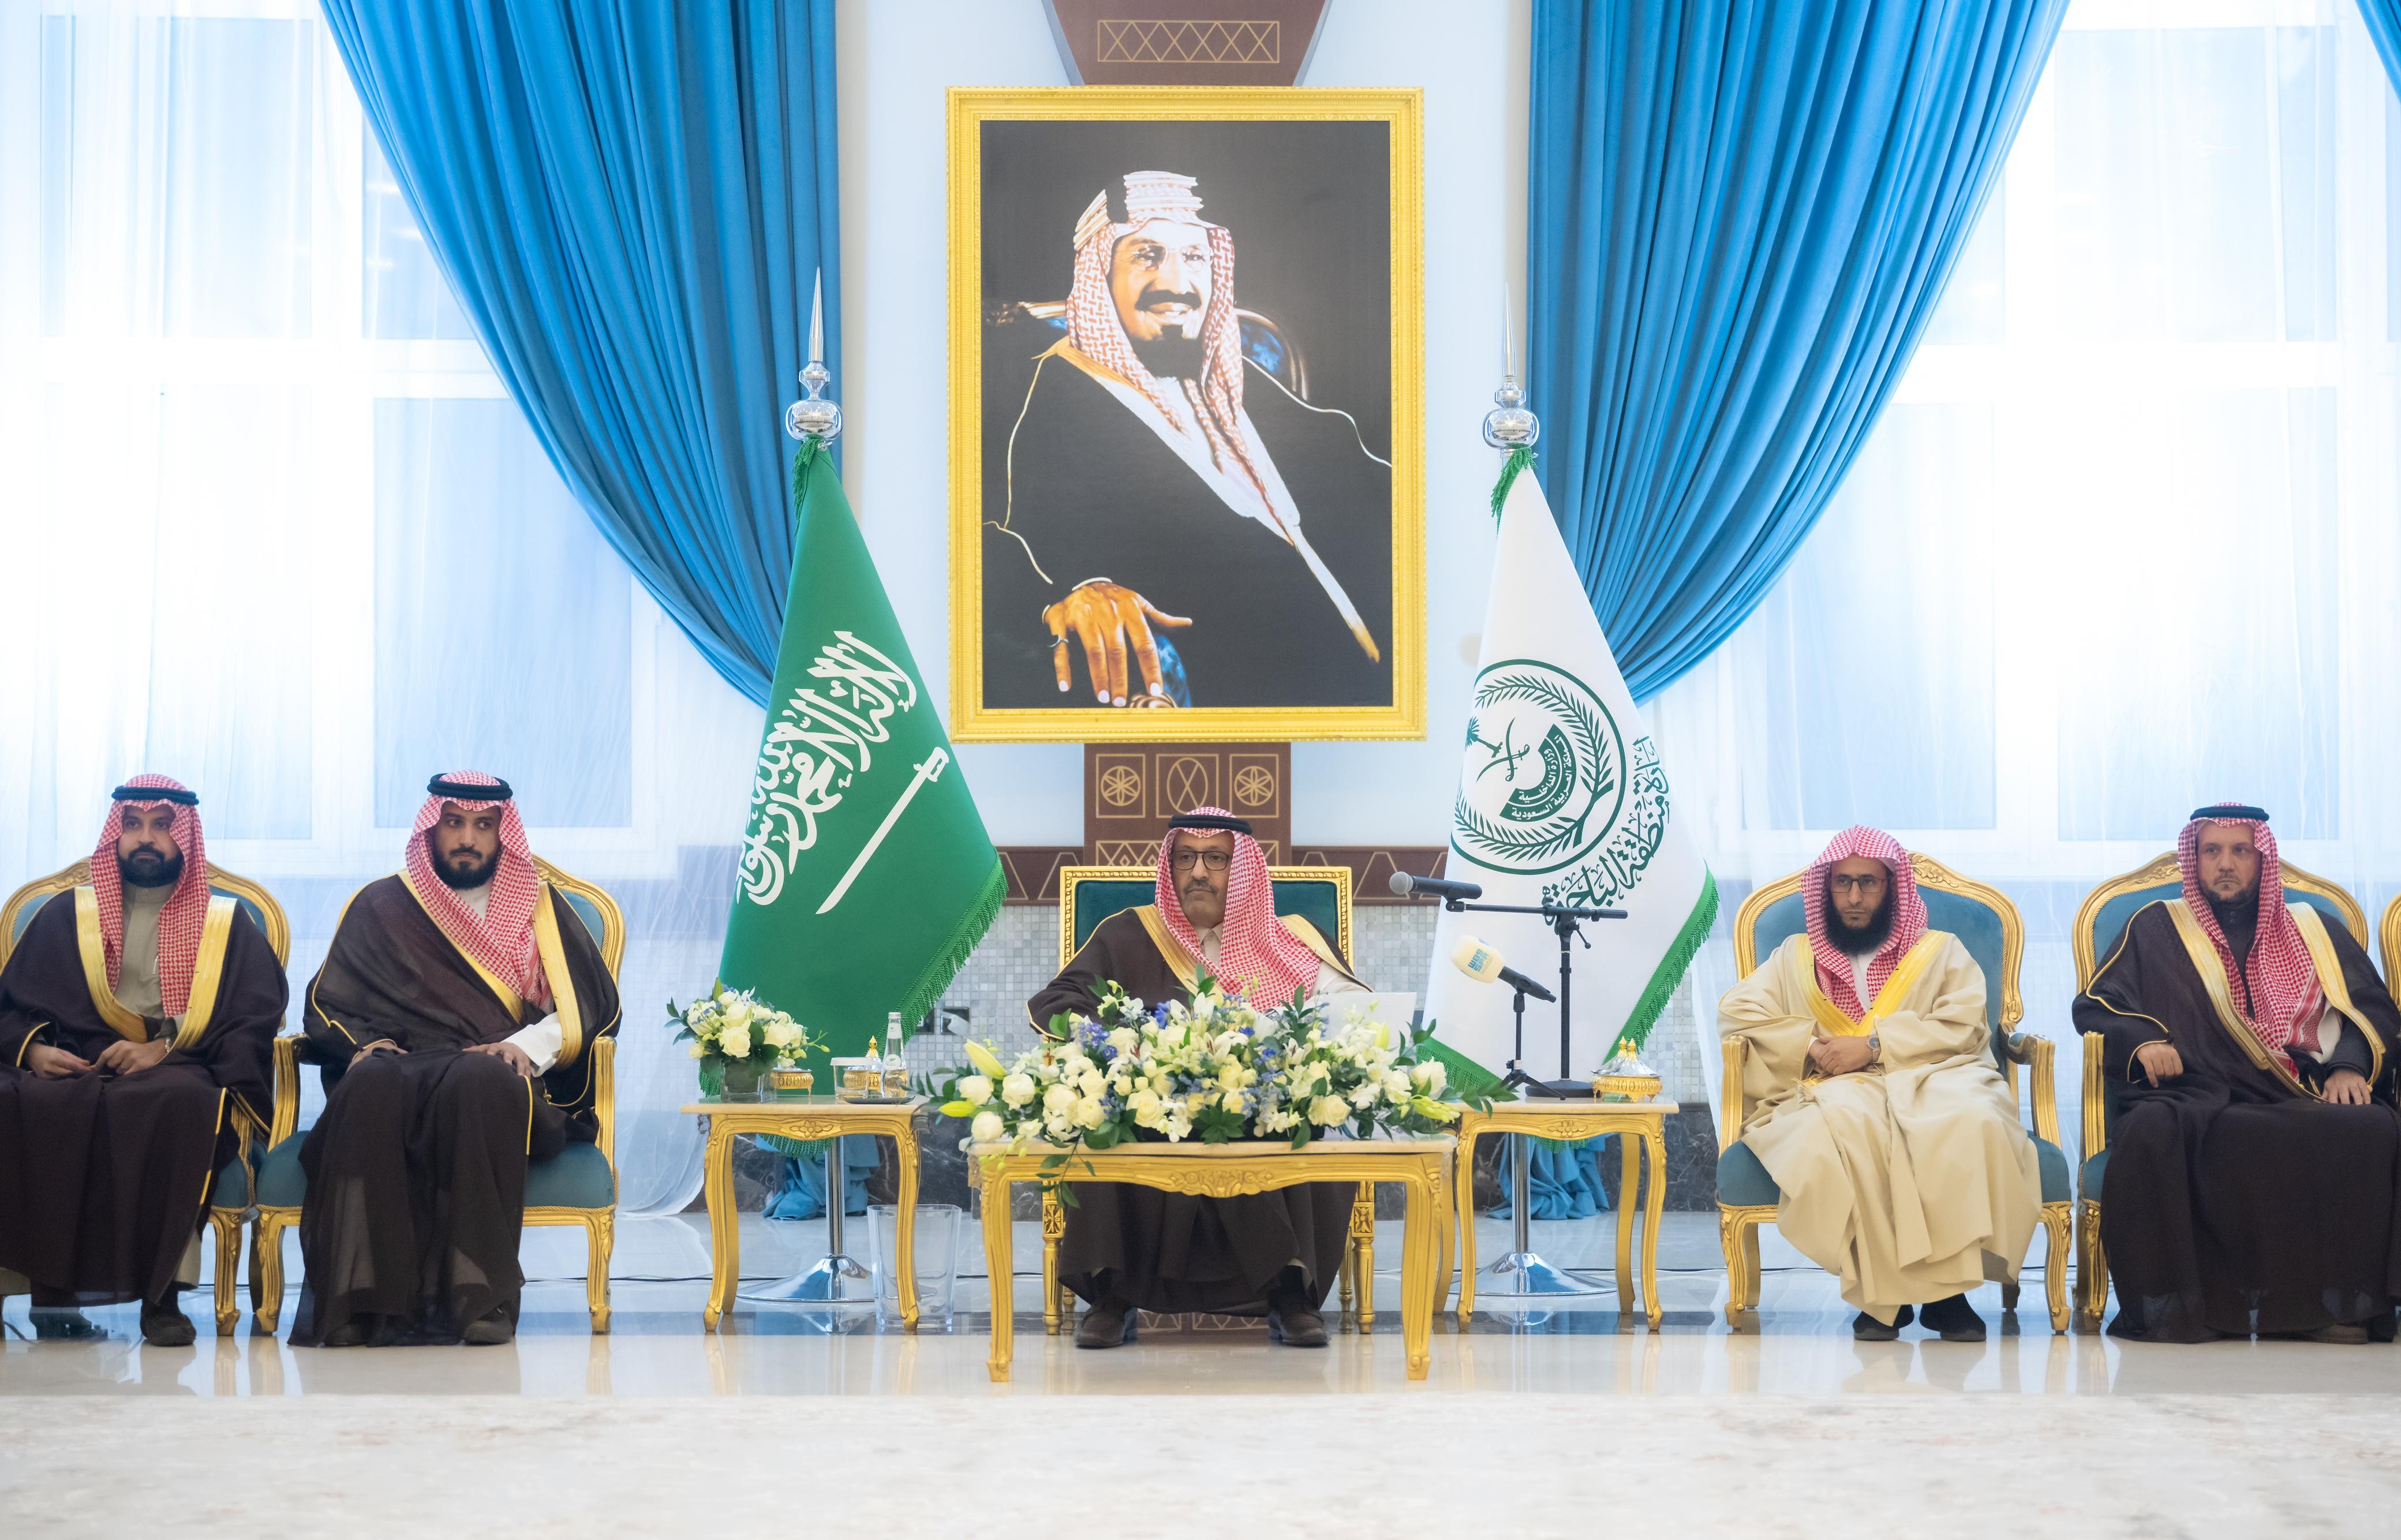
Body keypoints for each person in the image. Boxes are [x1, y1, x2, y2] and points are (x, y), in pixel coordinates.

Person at [981, 169, 1393, 712]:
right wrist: (1080, 588)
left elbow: (1355, 469)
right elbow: (998, 532)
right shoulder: (1053, 389)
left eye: (1195, 257)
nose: (1177, 283)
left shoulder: (1232, 377)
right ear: (1100, 274)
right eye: (1147, 255)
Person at [290, 772, 619, 1347]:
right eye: (454, 823)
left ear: (502, 833)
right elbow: (328, 1003)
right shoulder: (382, 904)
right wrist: (363, 1044)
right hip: (405, 1066)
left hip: (496, 1072)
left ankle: (481, 1299)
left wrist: (523, 1047)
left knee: (478, 1079)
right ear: (431, 829)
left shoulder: (540, 909)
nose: (468, 838)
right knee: (369, 1086)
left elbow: (589, 1006)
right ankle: (358, 1301)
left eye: (483, 825)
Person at [1029, 808, 1365, 1348]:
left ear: (1244, 869)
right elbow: (1059, 1000)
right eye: (1185, 858)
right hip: (1151, 1109)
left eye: (1216, 859)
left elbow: (1354, 1015)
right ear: (1170, 867)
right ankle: (1114, 1295)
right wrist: (1121, 1042)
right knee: (1107, 1115)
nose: (1199, 872)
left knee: (1302, 1115)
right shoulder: (1128, 934)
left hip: (1260, 1107)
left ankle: (1290, 1292)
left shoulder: (1291, 941)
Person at [2073, 803, 2401, 1343]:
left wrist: (2347, 1066)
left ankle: (2335, 1307)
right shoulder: (2155, 927)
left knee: (2370, 1127)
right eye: (2212, 851)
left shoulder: (2315, 929)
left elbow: (2373, 1009)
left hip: (2299, 1088)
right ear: (2194, 858)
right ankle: (2191, 1309)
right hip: (2195, 1090)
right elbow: (2097, 1005)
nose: (2225, 864)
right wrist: (2144, 1039)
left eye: (2240, 851)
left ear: (2262, 859)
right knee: (2152, 1131)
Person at [1718, 826, 2040, 1342]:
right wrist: (1812, 1045)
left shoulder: (1940, 951)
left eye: (1868, 883)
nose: (1854, 897)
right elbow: (1739, 1011)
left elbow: (1964, 1025)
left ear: (1892, 887)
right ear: (1827, 887)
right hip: (1835, 1085)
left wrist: (1873, 1047)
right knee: (1850, 1126)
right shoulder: (1796, 955)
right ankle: (1884, 1297)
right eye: (1843, 882)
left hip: (1935, 1075)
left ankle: (1947, 1297)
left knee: (1970, 1119)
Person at [0, 776, 284, 1345]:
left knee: (179, 1102)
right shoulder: (66, 913)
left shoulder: (224, 922)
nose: (146, 838)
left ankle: (164, 1297)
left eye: (161, 826)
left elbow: (252, 1016)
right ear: (117, 834)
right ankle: (34, 1287)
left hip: (178, 1064)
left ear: (186, 837)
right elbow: (11, 1003)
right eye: (133, 825)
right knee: (16, 1098)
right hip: (73, 1063)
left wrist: (164, 1047)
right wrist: (34, 1049)